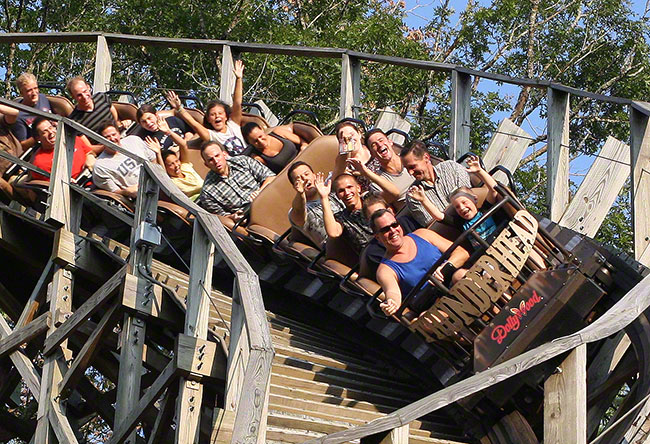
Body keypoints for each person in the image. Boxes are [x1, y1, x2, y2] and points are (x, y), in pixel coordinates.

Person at [448, 156, 545, 275]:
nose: (462, 208)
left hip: (506, 244)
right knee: (487, 275)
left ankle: (543, 272)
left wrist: (480, 172)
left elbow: (493, 189)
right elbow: (439, 217)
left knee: (524, 245)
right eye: (457, 207)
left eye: (464, 202)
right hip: (490, 257)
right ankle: (508, 294)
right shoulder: (461, 223)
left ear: (475, 199)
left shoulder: (485, 209)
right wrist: (423, 200)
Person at [370, 209, 469, 317]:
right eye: (385, 229)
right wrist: (392, 303)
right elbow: (393, 292)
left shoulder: (423, 234)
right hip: (431, 304)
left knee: (461, 276)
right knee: (428, 318)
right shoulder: (385, 270)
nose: (393, 231)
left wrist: (445, 267)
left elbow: (462, 253)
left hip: (453, 282)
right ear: (378, 237)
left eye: (394, 225)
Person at [166, 60, 247, 156]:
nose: (217, 116)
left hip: (248, 158)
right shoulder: (211, 135)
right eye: (213, 114)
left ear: (226, 116)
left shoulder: (233, 124)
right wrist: (179, 108)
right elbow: (194, 124)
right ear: (208, 119)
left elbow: (237, 103)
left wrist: (239, 79)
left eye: (220, 113)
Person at [199, 140, 275, 221]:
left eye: (217, 156)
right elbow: (221, 218)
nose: (216, 161)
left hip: (267, 199)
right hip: (249, 218)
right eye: (210, 160)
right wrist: (233, 217)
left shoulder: (243, 161)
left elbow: (271, 177)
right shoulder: (207, 192)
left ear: (224, 154)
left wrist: (260, 191)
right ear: (206, 164)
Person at [401, 140, 471, 227]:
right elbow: (433, 225)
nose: (410, 172)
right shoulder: (413, 196)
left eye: (412, 167)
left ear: (426, 157)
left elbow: (468, 198)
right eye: (407, 168)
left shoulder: (451, 168)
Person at [315, 173, 384, 256]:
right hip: (373, 255)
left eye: (349, 187)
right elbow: (334, 232)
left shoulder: (371, 198)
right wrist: (324, 197)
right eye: (341, 191)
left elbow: (394, 195)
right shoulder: (342, 217)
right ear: (337, 196)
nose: (347, 192)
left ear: (358, 188)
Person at [92, 120, 156, 199]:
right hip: (142, 195)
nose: (112, 138)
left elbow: (153, 160)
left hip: (156, 181)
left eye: (114, 134)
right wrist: (126, 192)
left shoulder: (134, 140)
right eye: (107, 137)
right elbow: (114, 191)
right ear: (101, 140)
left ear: (119, 134)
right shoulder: (100, 166)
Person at [144, 116, 203, 201]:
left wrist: (169, 132)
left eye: (176, 161)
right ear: (166, 168)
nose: (176, 165)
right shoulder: (171, 182)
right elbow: (163, 175)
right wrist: (158, 153)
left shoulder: (185, 166)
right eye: (171, 164)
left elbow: (183, 145)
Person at [287, 161, 343, 247]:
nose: (305, 179)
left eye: (306, 174)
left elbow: (341, 165)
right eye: (299, 179)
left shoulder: (328, 186)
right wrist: (300, 193)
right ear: (295, 186)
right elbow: (298, 210)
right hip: (336, 246)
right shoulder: (300, 210)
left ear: (314, 175)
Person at [364, 128, 415, 212]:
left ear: (390, 142)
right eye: (374, 145)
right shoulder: (377, 183)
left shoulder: (411, 159)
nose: (380, 145)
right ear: (372, 153)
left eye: (381, 140)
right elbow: (391, 197)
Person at [332, 120, 383, 193]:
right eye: (343, 138)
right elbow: (334, 182)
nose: (349, 139)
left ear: (359, 134)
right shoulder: (343, 164)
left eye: (351, 135)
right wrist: (346, 148)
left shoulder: (373, 149)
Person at [6, 73, 53, 150]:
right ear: (22, 93)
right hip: (38, 149)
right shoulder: (18, 115)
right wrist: (39, 136)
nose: (34, 93)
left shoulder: (43, 98)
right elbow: (23, 145)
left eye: (35, 88)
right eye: (29, 90)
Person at [242, 122, 306, 174]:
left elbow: (303, 142)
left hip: (305, 158)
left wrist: (303, 147)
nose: (261, 142)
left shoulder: (278, 132)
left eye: (260, 136)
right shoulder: (256, 157)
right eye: (255, 141)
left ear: (261, 129)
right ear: (250, 143)